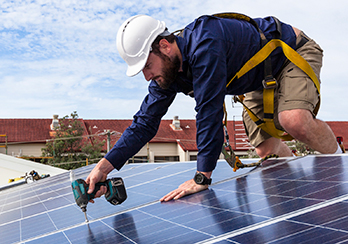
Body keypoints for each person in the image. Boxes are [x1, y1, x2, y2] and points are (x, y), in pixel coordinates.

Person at [86, 13, 341, 202]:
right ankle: (298, 199)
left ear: (164, 46)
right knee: (266, 148)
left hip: (289, 54)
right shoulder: (167, 72)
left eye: (147, 66)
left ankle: (343, 173)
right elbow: (144, 125)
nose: (146, 77)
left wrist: (202, 177)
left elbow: (209, 111)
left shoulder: (205, 43)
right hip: (256, 79)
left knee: (293, 119)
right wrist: (102, 168)